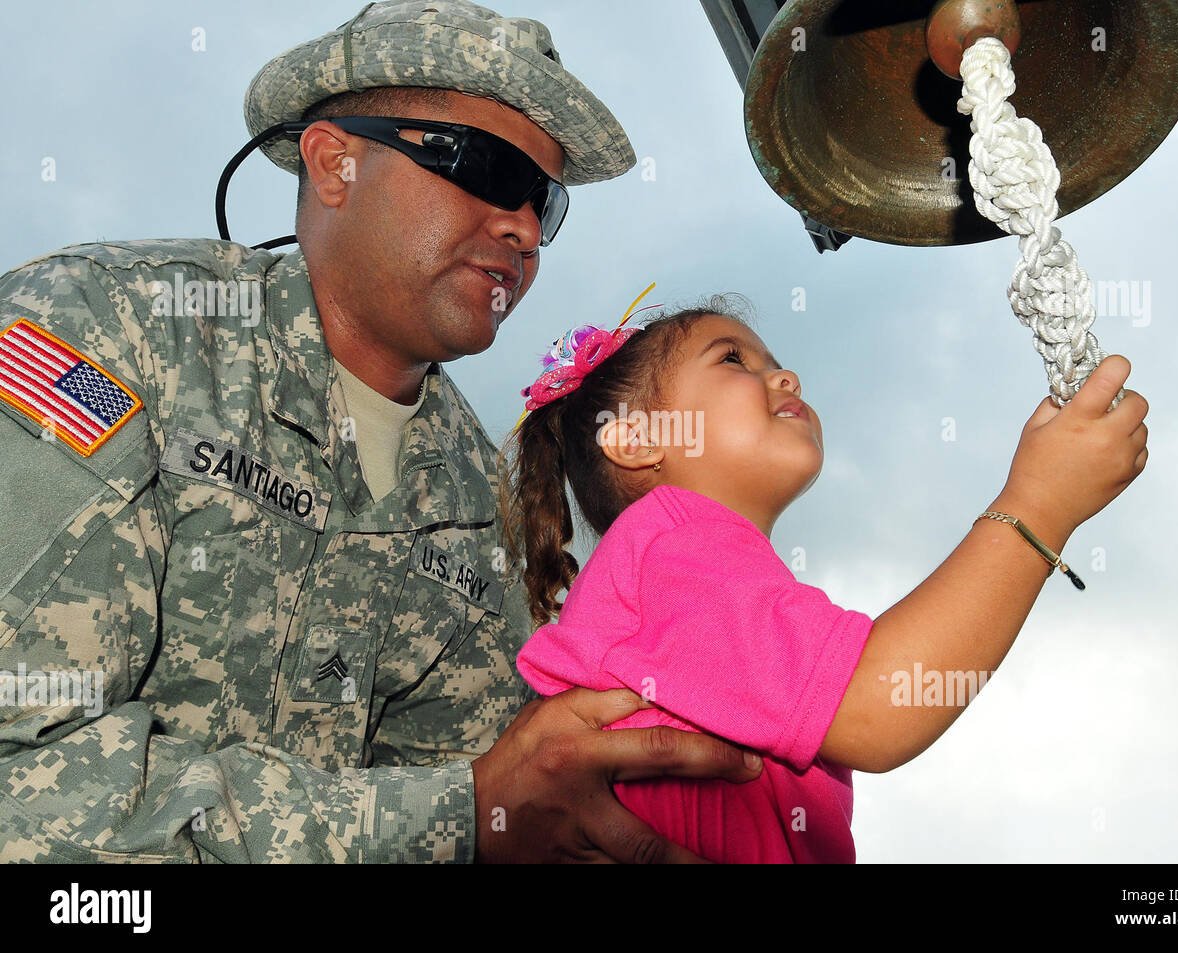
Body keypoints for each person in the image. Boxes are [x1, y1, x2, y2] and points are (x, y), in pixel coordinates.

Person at [0, 0, 760, 864]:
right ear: (334, 163)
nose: (518, 228)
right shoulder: (99, 330)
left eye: (540, 202)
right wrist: (460, 815)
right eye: (482, 164)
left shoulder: (486, 505)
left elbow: (516, 796)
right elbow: (23, 778)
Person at [500, 305, 1150, 862]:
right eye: (733, 359)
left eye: (772, 360)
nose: (785, 374)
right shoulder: (669, 541)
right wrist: (1039, 506)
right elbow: (879, 703)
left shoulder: (686, 567)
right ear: (638, 439)